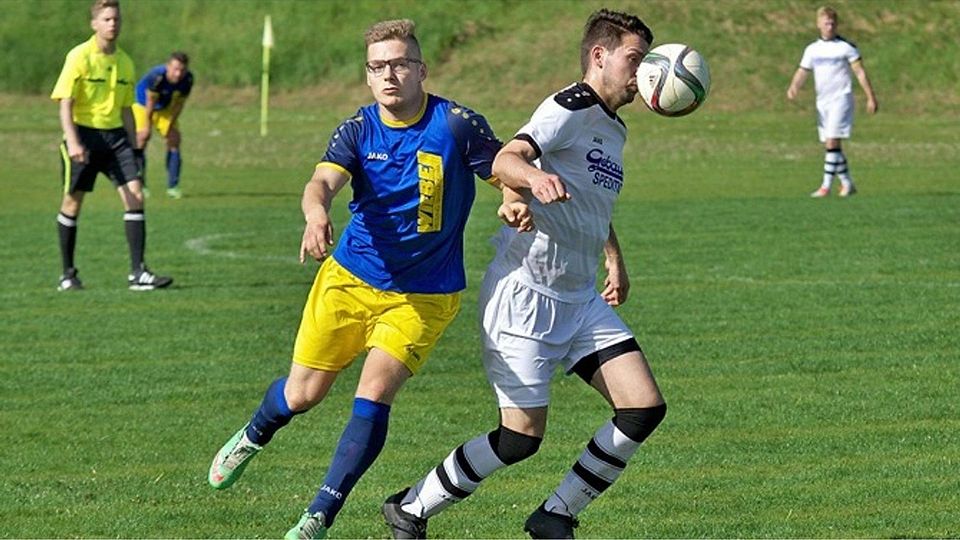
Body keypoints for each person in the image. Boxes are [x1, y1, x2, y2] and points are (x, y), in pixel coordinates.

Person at [206, 19, 504, 539]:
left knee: (373, 393)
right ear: (368, 77)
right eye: (378, 67)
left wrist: (519, 191)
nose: (390, 75)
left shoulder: (457, 124)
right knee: (302, 395)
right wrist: (316, 213)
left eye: (400, 64)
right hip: (348, 280)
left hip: (424, 296)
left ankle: (319, 513)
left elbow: (502, 165)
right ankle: (255, 433)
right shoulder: (357, 130)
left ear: (421, 69)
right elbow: (321, 180)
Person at [381, 8, 666, 539]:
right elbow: (508, 157)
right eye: (635, 59)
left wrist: (613, 256)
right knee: (519, 439)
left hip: (579, 298)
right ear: (599, 56)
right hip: (525, 299)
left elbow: (591, 203)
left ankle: (555, 514)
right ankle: (412, 507)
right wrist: (531, 180)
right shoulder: (569, 106)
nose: (642, 73)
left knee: (643, 407)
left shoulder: (614, 129)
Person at [51, 0, 172, 291]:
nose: (112, 24)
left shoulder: (126, 62)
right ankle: (67, 274)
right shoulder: (79, 56)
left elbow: (127, 109)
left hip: (116, 138)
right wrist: (74, 142)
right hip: (84, 136)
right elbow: (65, 103)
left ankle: (138, 273)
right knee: (72, 203)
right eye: (106, 19)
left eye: (116, 19)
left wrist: (135, 147)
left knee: (136, 196)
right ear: (95, 24)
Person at [787, 5, 878, 198]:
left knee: (831, 141)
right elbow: (803, 70)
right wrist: (794, 86)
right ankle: (847, 183)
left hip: (841, 99)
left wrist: (870, 97)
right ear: (818, 24)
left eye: (832, 23)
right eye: (826, 22)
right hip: (823, 102)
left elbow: (860, 72)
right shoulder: (812, 50)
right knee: (832, 145)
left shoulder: (846, 48)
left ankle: (825, 186)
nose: (829, 26)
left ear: (836, 25)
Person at [133, 51, 194, 199]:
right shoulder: (156, 77)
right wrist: (147, 127)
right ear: (168, 66)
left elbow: (179, 104)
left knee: (174, 139)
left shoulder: (188, 79)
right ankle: (140, 185)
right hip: (143, 105)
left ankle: (173, 187)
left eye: (182, 69)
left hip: (165, 108)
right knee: (141, 138)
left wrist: (171, 125)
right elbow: (150, 103)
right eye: (175, 69)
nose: (178, 73)